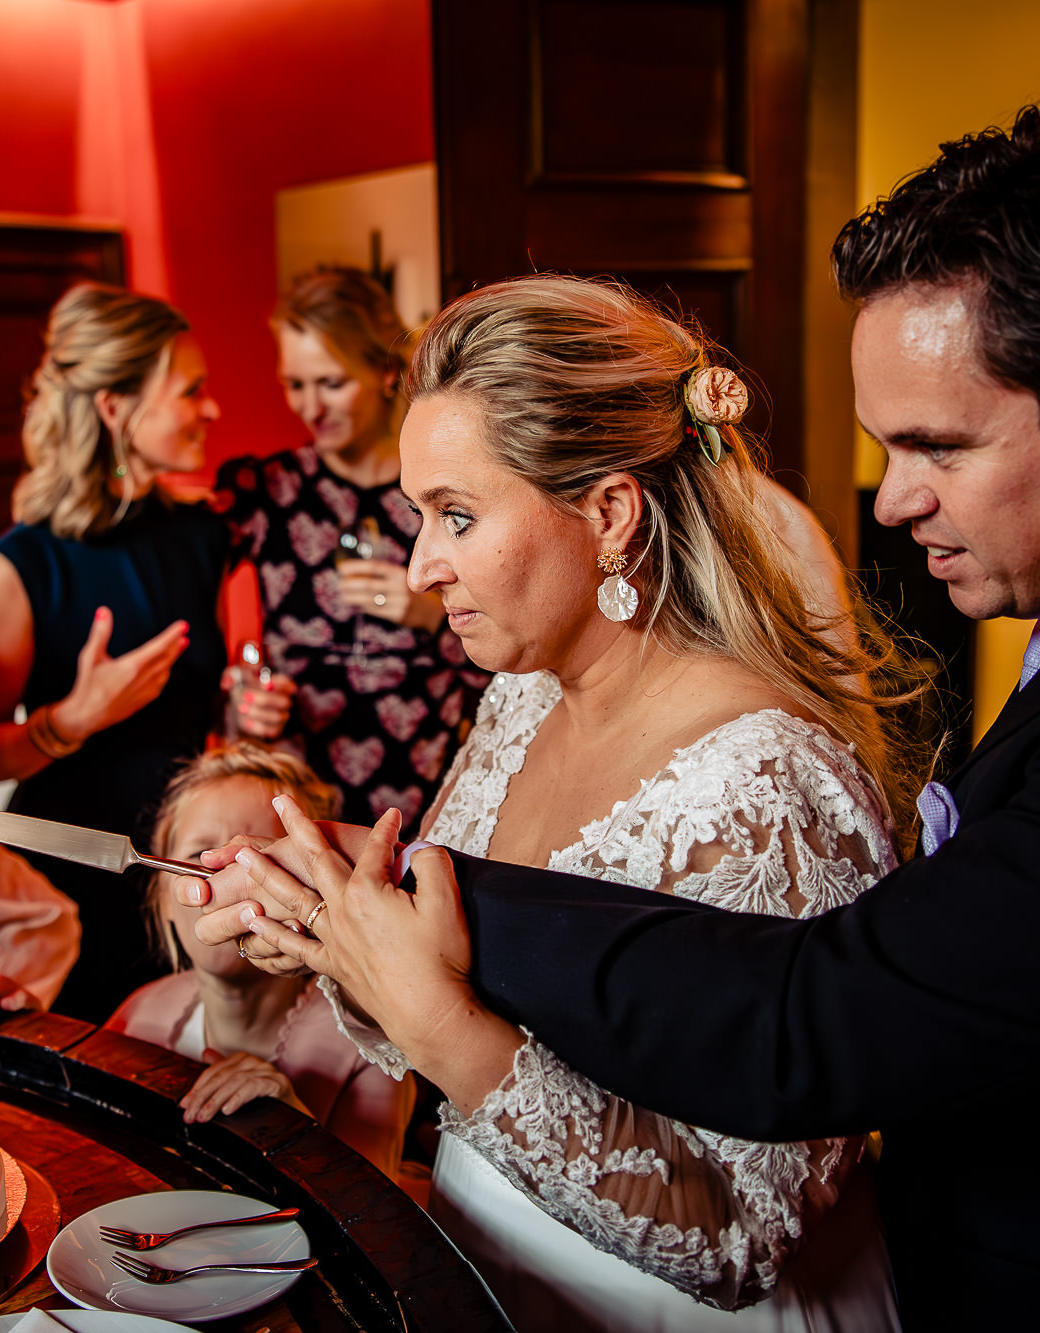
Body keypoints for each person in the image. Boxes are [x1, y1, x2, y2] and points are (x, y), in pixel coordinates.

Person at [196, 104, 1040, 1329]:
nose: (889, 504)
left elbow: (804, 1036)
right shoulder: (521, 697)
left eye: (935, 446)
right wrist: (346, 938)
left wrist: (425, 933)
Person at [243, 274, 912, 1329]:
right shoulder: (515, 700)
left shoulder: (772, 786)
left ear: (606, 513)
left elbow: (743, 1234)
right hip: (485, 1277)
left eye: (454, 515)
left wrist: (433, 1019)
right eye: (421, 516)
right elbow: (463, 984)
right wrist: (340, 935)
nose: (421, 568)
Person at [0, 283, 285, 1021]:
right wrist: (69, 719)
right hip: (71, 875)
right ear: (114, 408)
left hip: (184, 871)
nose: (212, 409)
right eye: (191, 390)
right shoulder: (16, 568)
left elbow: (214, 696)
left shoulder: (209, 537)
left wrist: (248, 710)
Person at [214, 267, 490, 825]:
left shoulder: (442, 492)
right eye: (295, 384)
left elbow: (513, 658)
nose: (310, 407)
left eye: (331, 383)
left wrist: (429, 615)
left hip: (426, 783)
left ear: (385, 371)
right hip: (299, 788)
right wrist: (244, 697)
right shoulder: (266, 492)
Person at [103, 744, 415, 1182]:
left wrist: (295, 1131)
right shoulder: (137, 1017)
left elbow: (377, 1230)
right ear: (162, 898)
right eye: (200, 854)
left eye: (260, 860)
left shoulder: (367, 1052)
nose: (221, 880)